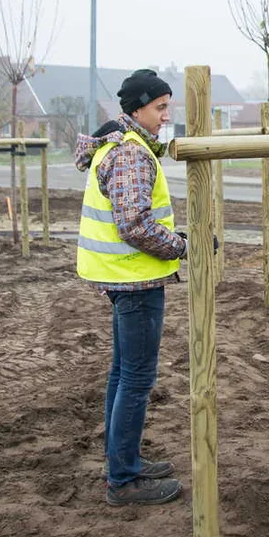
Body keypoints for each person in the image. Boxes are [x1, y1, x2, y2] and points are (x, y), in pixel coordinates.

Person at [75, 68, 186, 507]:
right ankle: (123, 480)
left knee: (123, 375)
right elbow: (135, 224)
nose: (165, 115)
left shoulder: (120, 146)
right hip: (134, 279)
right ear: (137, 108)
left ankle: (124, 461)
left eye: (167, 106)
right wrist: (181, 247)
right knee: (136, 378)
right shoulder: (131, 154)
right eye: (160, 107)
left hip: (123, 277)